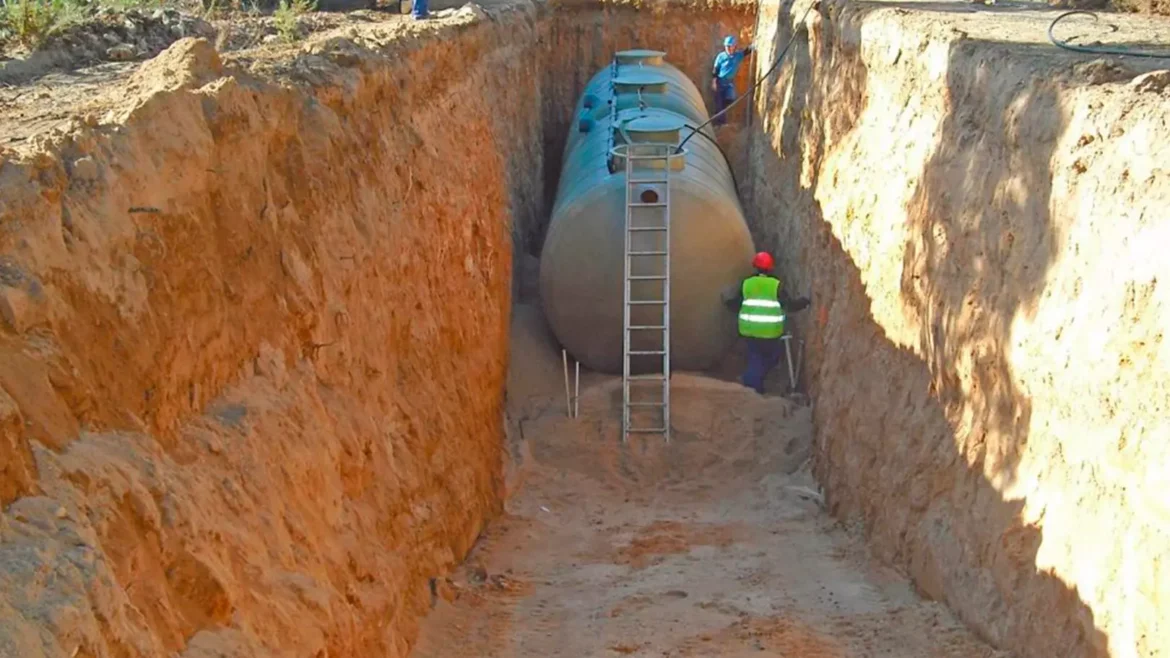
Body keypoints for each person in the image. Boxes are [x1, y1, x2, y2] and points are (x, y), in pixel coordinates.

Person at [722, 251, 810, 394]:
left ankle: (752, 384)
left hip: (750, 331)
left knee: (755, 359)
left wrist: (726, 301)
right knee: (771, 358)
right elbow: (789, 305)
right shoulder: (776, 286)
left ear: (755, 266)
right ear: (771, 268)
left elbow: (736, 305)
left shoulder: (747, 284)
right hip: (771, 332)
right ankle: (752, 386)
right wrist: (804, 302)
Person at [710, 35, 755, 126]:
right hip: (720, 82)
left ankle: (720, 117)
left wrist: (753, 46)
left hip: (729, 83)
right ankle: (720, 124)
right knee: (719, 103)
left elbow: (746, 52)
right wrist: (714, 82)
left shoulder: (737, 56)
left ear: (734, 47)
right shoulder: (721, 56)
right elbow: (715, 69)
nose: (729, 48)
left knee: (731, 98)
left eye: (730, 46)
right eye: (727, 46)